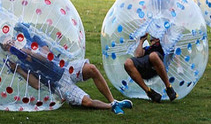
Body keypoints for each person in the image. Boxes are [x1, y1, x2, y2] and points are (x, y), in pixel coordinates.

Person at [0, 34, 133, 115]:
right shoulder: (18, 64)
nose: (11, 45)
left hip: (65, 68)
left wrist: (29, 52)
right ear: (7, 51)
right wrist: (19, 70)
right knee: (86, 102)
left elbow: (47, 57)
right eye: (7, 46)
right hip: (59, 85)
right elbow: (37, 85)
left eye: (11, 41)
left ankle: (112, 100)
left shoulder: (32, 42)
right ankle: (112, 106)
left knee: (92, 69)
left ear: (16, 38)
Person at [124, 33, 178, 102]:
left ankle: (169, 88)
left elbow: (171, 42)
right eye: (152, 40)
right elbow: (137, 55)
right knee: (127, 63)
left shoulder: (165, 46)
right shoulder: (147, 49)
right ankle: (149, 92)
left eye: (155, 39)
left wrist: (163, 36)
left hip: (159, 62)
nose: (153, 41)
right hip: (146, 66)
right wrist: (141, 41)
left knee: (153, 56)